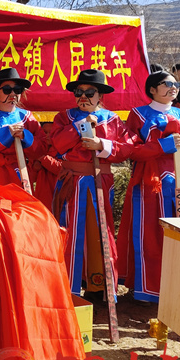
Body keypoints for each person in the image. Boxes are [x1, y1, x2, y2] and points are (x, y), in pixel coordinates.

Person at [116, 71, 180, 302]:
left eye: (175, 84)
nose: (173, 87)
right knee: (150, 232)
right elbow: (130, 149)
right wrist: (161, 145)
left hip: (178, 179)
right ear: (152, 89)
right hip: (149, 179)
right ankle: (148, 288)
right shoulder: (138, 114)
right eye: (166, 84)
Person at [50, 70, 134, 299]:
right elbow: (57, 144)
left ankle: (98, 287)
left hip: (100, 180)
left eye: (89, 92)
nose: (83, 97)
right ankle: (68, 286)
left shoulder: (112, 119)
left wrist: (101, 145)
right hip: (72, 180)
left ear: (100, 95)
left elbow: (126, 148)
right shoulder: (64, 117)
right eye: (79, 92)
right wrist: (81, 125)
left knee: (99, 230)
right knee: (71, 229)